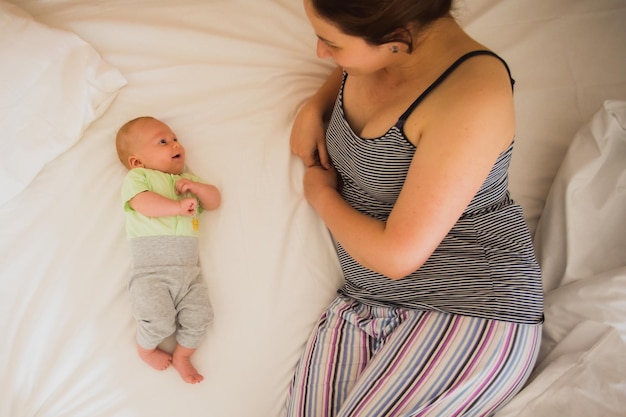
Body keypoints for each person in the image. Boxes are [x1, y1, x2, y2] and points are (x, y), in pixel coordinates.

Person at [285, 0, 543, 415]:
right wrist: (316, 105)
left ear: (398, 38)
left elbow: (397, 256)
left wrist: (320, 192)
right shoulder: (375, 54)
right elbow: (357, 61)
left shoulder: (471, 96)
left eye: (330, 42)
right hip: (364, 301)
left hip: (469, 308)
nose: (321, 53)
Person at [116, 116, 221, 384]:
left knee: (201, 317)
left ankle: (183, 356)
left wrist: (198, 188)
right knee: (158, 321)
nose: (176, 144)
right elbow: (143, 204)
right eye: (163, 141)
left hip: (189, 274)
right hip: (151, 273)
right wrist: (176, 207)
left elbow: (214, 202)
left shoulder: (185, 179)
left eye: (175, 139)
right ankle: (145, 349)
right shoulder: (139, 177)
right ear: (137, 161)